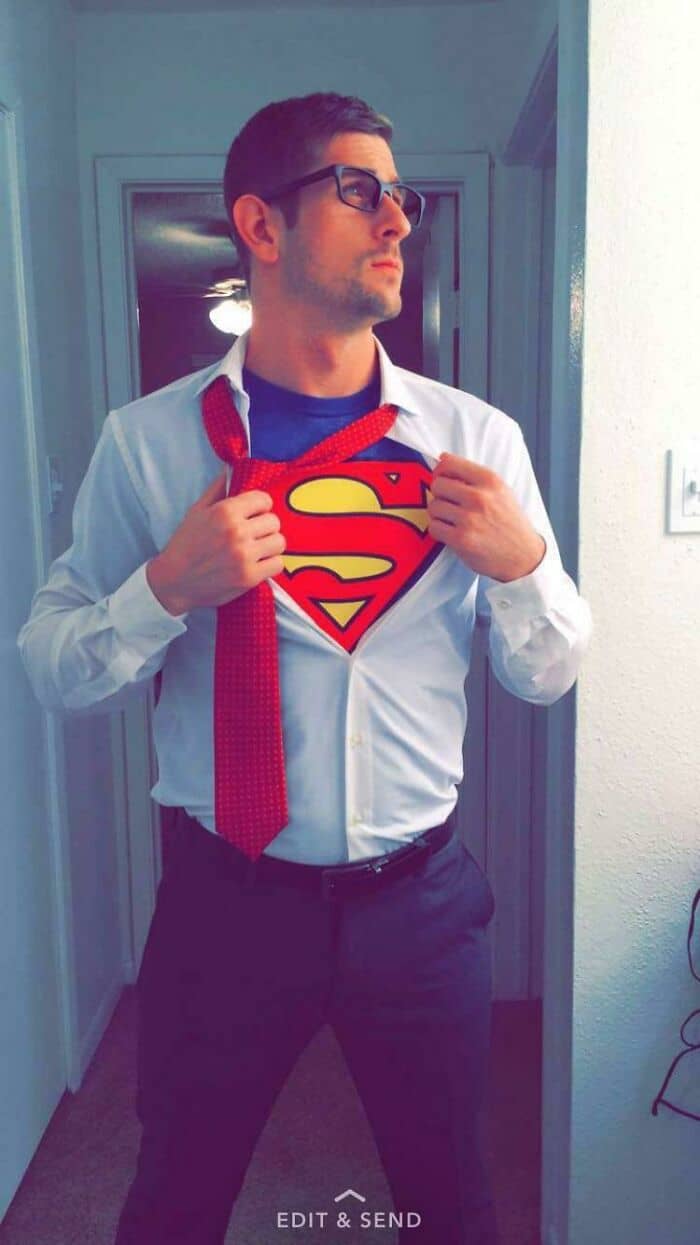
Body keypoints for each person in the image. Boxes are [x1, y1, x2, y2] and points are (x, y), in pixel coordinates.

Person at [18, 92, 592, 1245]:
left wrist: (525, 566)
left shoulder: (473, 442)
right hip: (224, 907)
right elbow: (54, 671)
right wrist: (162, 589)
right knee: (175, 1200)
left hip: (420, 909)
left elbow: (548, 674)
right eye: (357, 189)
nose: (397, 219)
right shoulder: (151, 444)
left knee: (451, 1204)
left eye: (401, 196)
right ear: (260, 225)